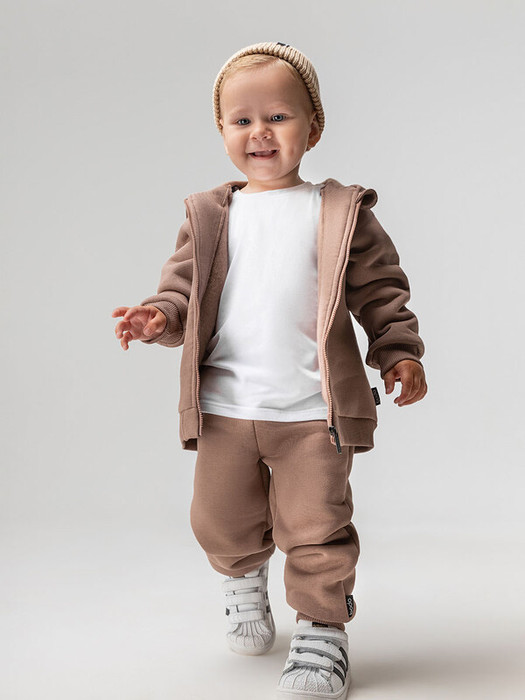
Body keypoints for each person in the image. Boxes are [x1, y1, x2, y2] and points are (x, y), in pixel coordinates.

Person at [111, 41, 427, 699]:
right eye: (242, 120)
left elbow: (380, 290)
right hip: (226, 407)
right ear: (222, 131)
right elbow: (181, 292)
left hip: (313, 412)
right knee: (218, 521)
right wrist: (158, 319)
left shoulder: (338, 211)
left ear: (313, 128)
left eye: (278, 117)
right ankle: (242, 576)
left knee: (317, 527)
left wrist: (398, 349)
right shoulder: (209, 216)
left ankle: (321, 632)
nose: (260, 132)